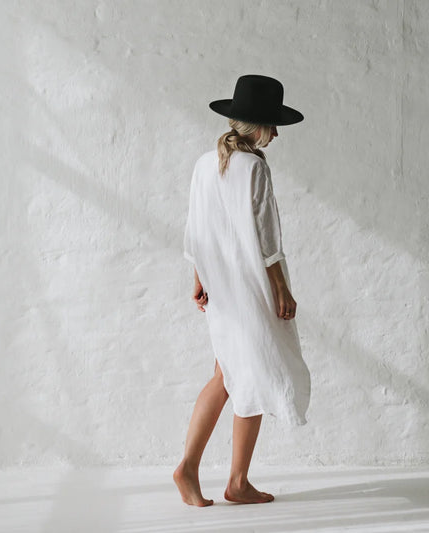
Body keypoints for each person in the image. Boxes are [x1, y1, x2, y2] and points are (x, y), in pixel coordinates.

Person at [173, 74, 311, 506]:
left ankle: (191, 468)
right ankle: (235, 481)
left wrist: (199, 278)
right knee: (250, 375)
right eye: (273, 127)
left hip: (219, 285)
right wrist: (282, 290)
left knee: (225, 375)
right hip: (250, 287)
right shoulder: (255, 168)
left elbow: (194, 229)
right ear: (259, 126)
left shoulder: (204, 164)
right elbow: (268, 241)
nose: (276, 136)